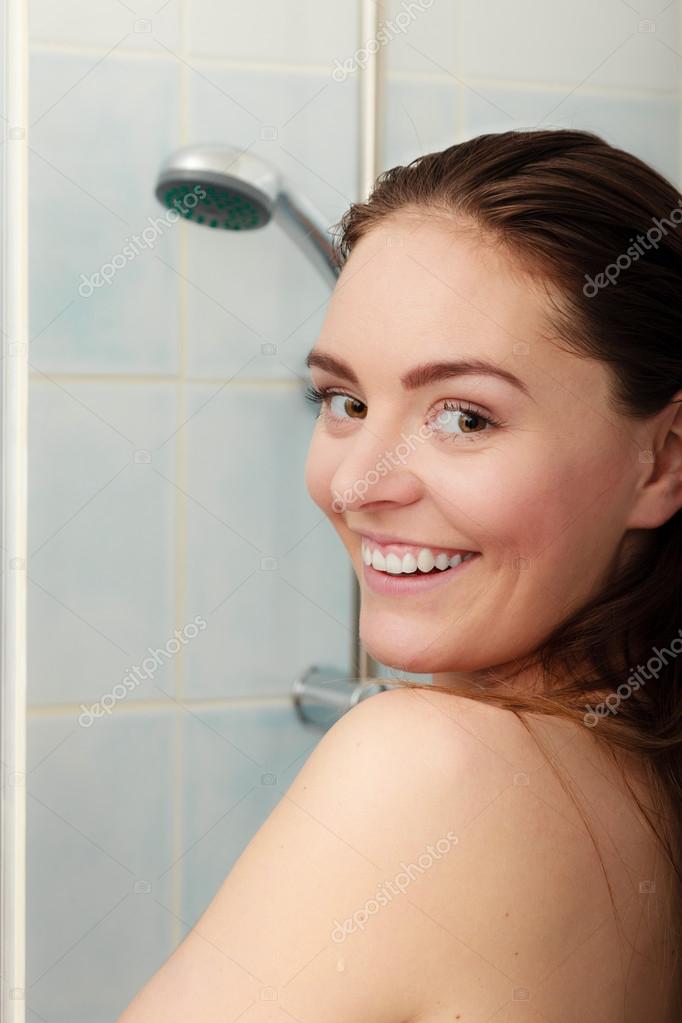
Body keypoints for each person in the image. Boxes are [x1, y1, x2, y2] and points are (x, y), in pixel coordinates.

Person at [116, 128, 682, 1022]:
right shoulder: (641, 769)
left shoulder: (427, 767)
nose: (355, 484)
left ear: (663, 459)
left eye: (464, 417)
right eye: (344, 401)